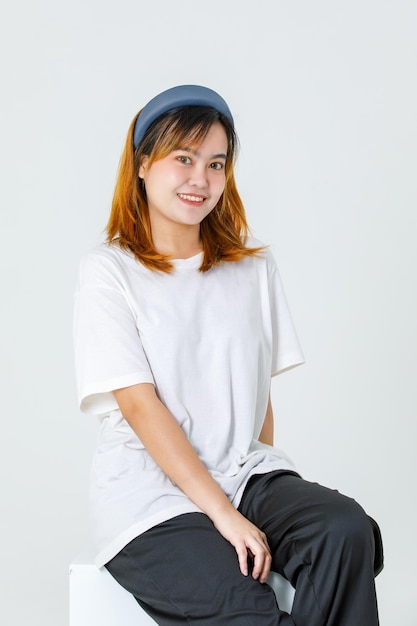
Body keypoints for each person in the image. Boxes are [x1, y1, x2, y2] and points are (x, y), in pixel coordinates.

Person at [73, 84, 383, 625]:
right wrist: (223, 515)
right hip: (149, 498)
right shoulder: (110, 271)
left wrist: (262, 502)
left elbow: (258, 397)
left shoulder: (251, 270)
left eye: (216, 163)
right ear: (143, 163)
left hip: (244, 477)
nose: (201, 179)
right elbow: (141, 407)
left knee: (344, 530)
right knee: (248, 609)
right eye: (184, 158)